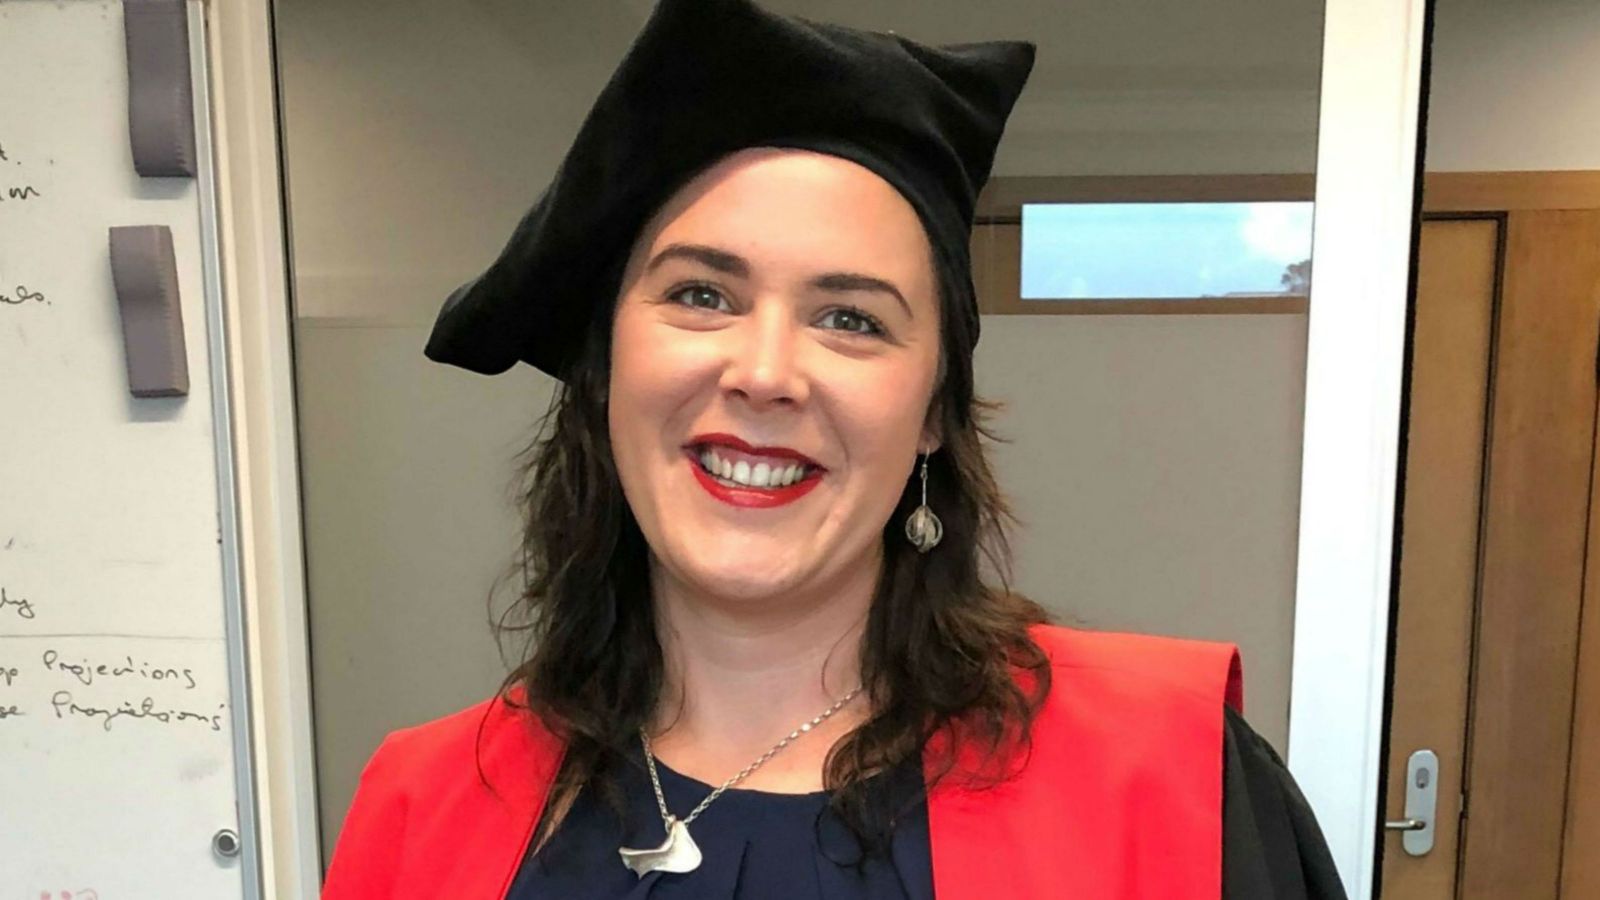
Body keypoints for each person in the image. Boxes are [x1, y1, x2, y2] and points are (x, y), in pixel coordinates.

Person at [321, 0, 1347, 897]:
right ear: (604, 374)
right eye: (701, 295)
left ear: (934, 410)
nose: (766, 372)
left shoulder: (1170, 780)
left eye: (851, 318)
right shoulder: (422, 805)